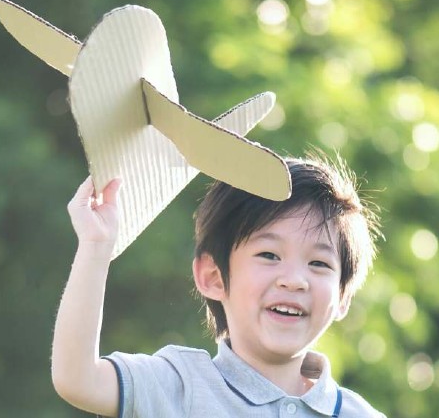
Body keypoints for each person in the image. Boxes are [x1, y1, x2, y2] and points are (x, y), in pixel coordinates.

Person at [51, 156, 384, 417]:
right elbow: (78, 379)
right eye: (269, 255)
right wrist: (96, 245)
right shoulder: (180, 386)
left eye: (319, 264)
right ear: (213, 277)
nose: (294, 280)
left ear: (343, 296)